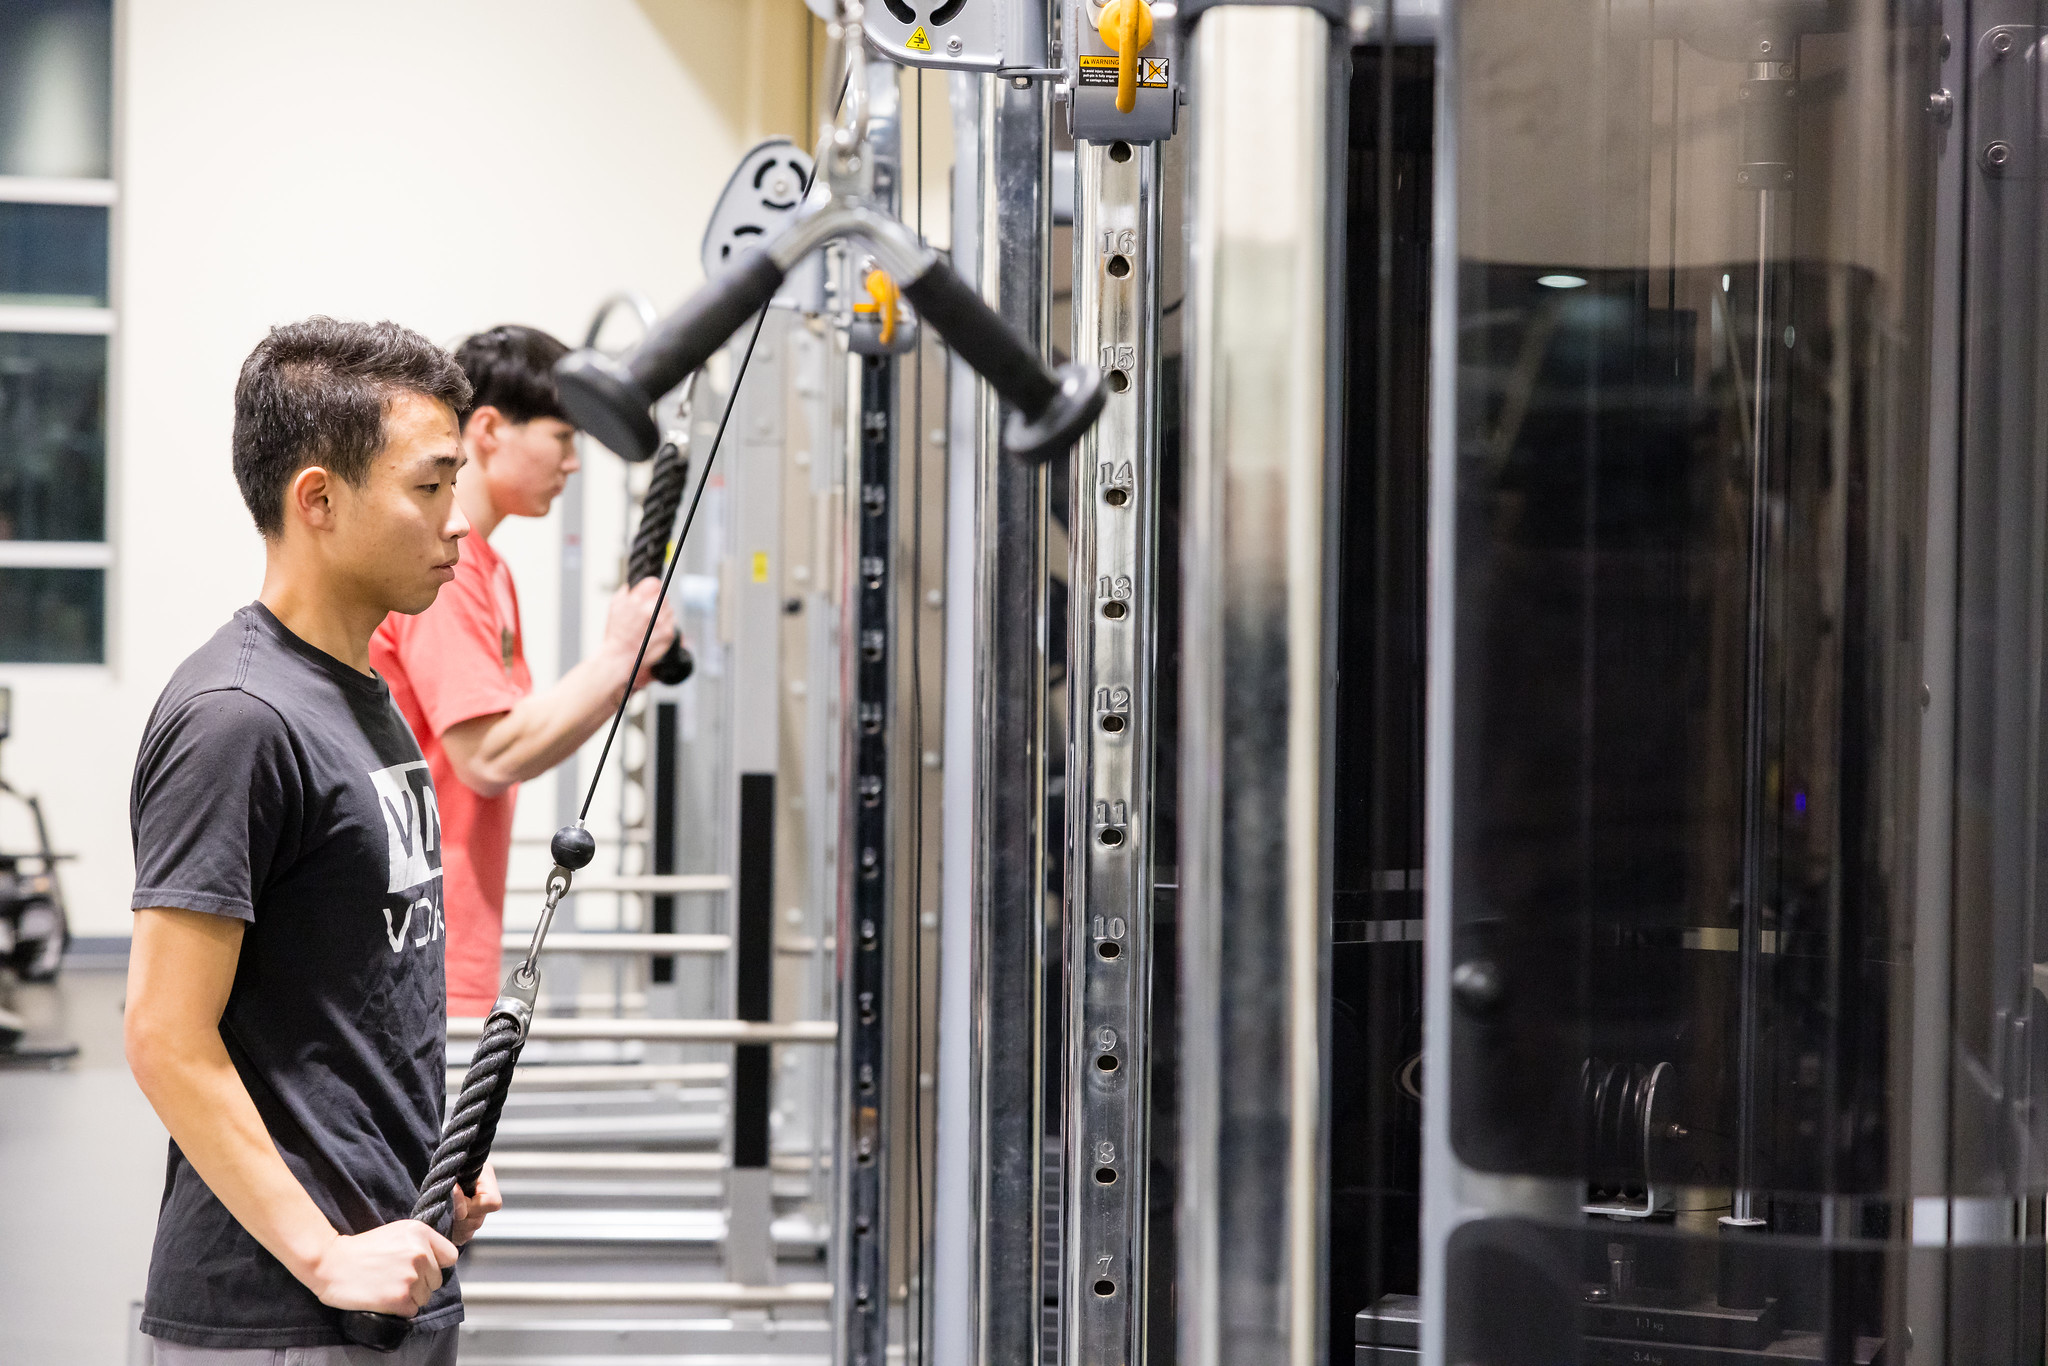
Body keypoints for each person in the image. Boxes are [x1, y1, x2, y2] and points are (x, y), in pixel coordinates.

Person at [125, 318, 500, 1363]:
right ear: (319, 501)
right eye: (429, 487)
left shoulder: (361, 693)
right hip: (279, 1312)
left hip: (390, 1269)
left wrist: (429, 1161)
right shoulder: (238, 718)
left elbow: (356, 988)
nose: (458, 525)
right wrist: (325, 1253)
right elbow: (162, 1032)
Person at [369, 325, 677, 1018]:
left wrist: (619, 675)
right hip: (406, 944)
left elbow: (515, 739)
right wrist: (614, 659)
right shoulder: (443, 569)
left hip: (446, 929)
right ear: (488, 430)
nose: (573, 464)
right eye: (562, 439)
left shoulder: (488, 570)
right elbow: (488, 756)